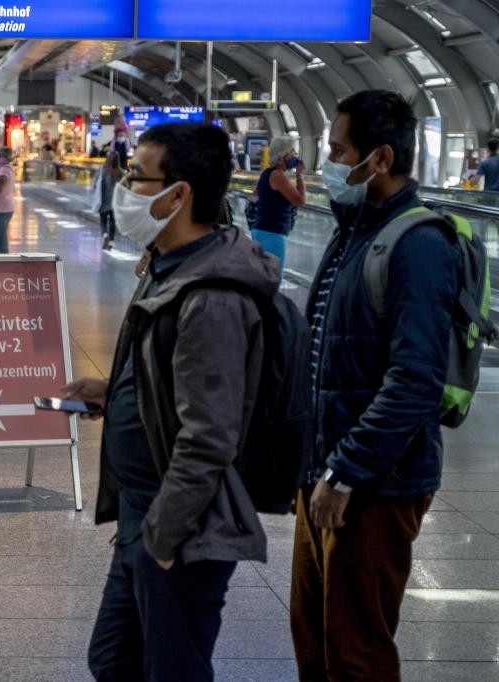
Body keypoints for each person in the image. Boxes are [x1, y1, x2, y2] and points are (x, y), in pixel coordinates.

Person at [65, 122, 273, 682]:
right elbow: (179, 383)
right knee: (115, 662)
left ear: (178, 193)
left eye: (137, 176)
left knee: (171, 669)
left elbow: (209, 433)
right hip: (145, 511)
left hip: (180, 527)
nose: (124, 186)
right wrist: (116, 392)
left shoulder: (211, 296)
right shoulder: (169, 267)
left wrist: (164, 532)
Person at [291, 90, 460, 682]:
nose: (327, 164)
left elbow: (415, 381)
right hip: (325, 473)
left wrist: (346, 472)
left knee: (356, 652)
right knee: (315, 641)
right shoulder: (354, 232)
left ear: (381, 158)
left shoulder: (419, 244)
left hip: (373, 485)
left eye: (338, 150)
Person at [251, 136, 304, 282]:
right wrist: (300, 175)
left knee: (262, 276)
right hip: (272, 232)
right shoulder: (278, 175)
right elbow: (300, 200)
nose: (294, 156)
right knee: (272, 279)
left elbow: (254, 196)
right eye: (292, 152)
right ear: (283, 155)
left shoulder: (267, 173)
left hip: (261, 229)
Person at [95, 150, 124, 250]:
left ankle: (105, 234)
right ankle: (111, 242)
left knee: (103, 221)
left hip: (103, 201)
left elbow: (95, 185)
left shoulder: (102, 169)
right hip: (116, 202)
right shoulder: (121, 172)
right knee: (112, 221)